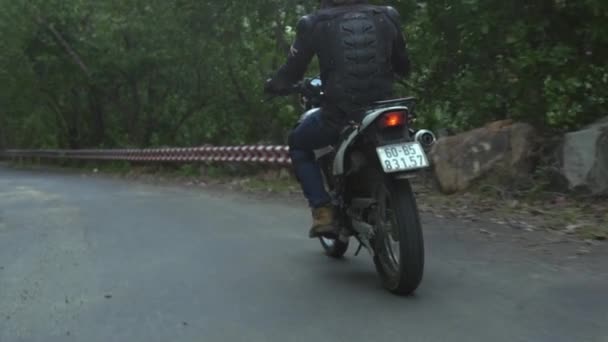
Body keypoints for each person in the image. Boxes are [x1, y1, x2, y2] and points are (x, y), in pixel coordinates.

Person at [264, 0, 411, 238]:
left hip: (341, 116)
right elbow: (403, 65)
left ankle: (323, 211)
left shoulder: (314, 23)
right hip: (383, 111)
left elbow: (292, 70)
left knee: (298, 143)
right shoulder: (388, 15)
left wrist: (274, 86)